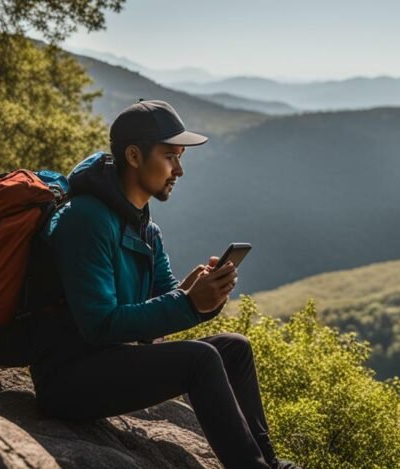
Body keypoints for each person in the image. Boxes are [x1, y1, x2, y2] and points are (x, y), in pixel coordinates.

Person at [28, 99, 302, 469]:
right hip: (67, 381)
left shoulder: (145, 227)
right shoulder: (85, 220)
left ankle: (269, 462)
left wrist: (201, 295)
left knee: (234, 348)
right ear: (135, 156)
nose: (179, 170)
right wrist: (188, 303)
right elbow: (98, 325)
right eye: (171, 157)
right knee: (199, 359)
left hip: (110, 361)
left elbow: (163, 304)